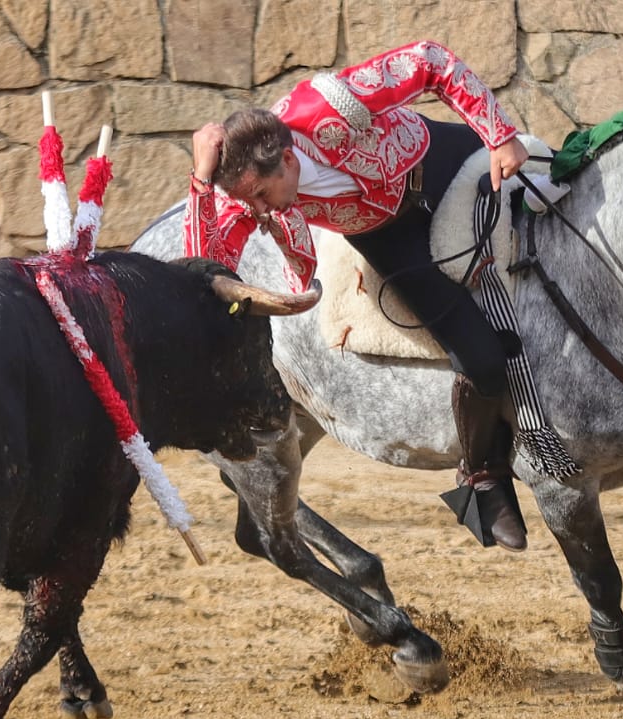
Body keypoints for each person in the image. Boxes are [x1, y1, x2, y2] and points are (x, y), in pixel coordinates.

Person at [185, 41, 530, 551]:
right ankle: (483, 480)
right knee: (478, 357)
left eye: (260, 196)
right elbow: (202, 271)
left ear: (286, 159)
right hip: (386, 233)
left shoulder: (329, 105)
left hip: (442, 159)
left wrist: (499, 135)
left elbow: (431, 61)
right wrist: (200, 177)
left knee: (551, 187)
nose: (256, 212)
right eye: (246, 200)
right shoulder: (247, 184)